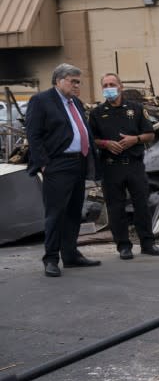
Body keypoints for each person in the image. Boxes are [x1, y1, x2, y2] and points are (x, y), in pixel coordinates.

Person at [25, 63, 101, 277]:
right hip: (58, 164)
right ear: (59, 81)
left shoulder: (74, 102)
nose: (77, 86)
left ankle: (70, 255)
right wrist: (43, 163)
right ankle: (51, 258)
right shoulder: (41, 101)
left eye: (79, 82)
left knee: (74, 212)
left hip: (79, 162)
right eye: (73, 81)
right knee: (55, 213)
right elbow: (34, 134)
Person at [89, 73, 159, 259]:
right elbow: (92, 140)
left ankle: (148, 244)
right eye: (105, 85)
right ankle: (123, 246)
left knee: (142, 206)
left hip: (134, 165)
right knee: (116, 208)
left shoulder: (136, 109)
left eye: (112, 84)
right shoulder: (97, 113)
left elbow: (150, 134)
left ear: (120, 86)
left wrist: (135, 139)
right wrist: (106, 143)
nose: (109, 88)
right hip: (111, 167)